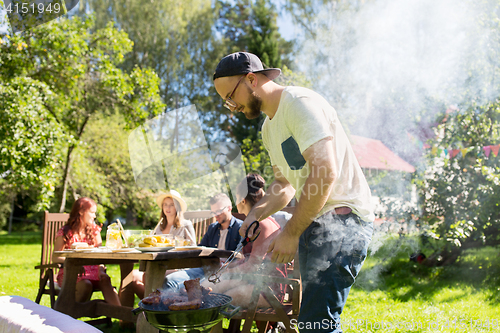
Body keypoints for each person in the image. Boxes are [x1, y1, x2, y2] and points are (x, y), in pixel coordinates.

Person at [212, 52, 374, 332]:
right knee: (313, 321)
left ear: (251, 79)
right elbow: (283, 185)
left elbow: (324, 171)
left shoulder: (299, 103)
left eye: (230, 96)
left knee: (317, 323)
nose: (231, 107)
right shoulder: (268, 127)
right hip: (314, 220)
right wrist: (256, 213)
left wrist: (290, 233)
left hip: (344, 222)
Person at [201, 174, 286, 308]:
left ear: (243, 200)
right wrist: (230, 267)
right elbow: (248, 260)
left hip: (267, 290)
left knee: (216, 299)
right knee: (208, 288)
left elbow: (253, 266)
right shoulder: (257, 222)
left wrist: (227, 273)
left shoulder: (261, 224)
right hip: (254, 282)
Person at [119, 190, 195, 306]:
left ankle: (152, 307)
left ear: (177, 207)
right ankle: (126, 319)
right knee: (130, 276)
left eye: (171, 205)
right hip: (157, 264)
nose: (167, 208)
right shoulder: (159, 227)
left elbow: (193, 248)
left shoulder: (185, 225)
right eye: (165, 205)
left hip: (177, 266)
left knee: (147, 275)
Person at [163, 193, 243, 291]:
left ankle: (187, 304)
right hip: (205, 269)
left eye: (219, 211)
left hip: (226, 272)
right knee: (169, 280)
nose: (215, 215)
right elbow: (200, 249)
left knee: (184, 288)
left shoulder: (240, 228)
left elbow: (243, 256)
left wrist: (227, 266)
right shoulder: (212, 228)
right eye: (213, 212)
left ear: (229, 208)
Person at [52, 197, 120, 306]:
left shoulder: (94, 231)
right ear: (81, 211)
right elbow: (55, 257)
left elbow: (100, 255)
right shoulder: (65, 232)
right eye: (92, 212)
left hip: (94, 271)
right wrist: (73, 263)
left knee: (105, 280)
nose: (94, 216)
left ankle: (122, 318)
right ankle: (69, 312)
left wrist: (101, 270)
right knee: (86, 284)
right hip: (72, 273)